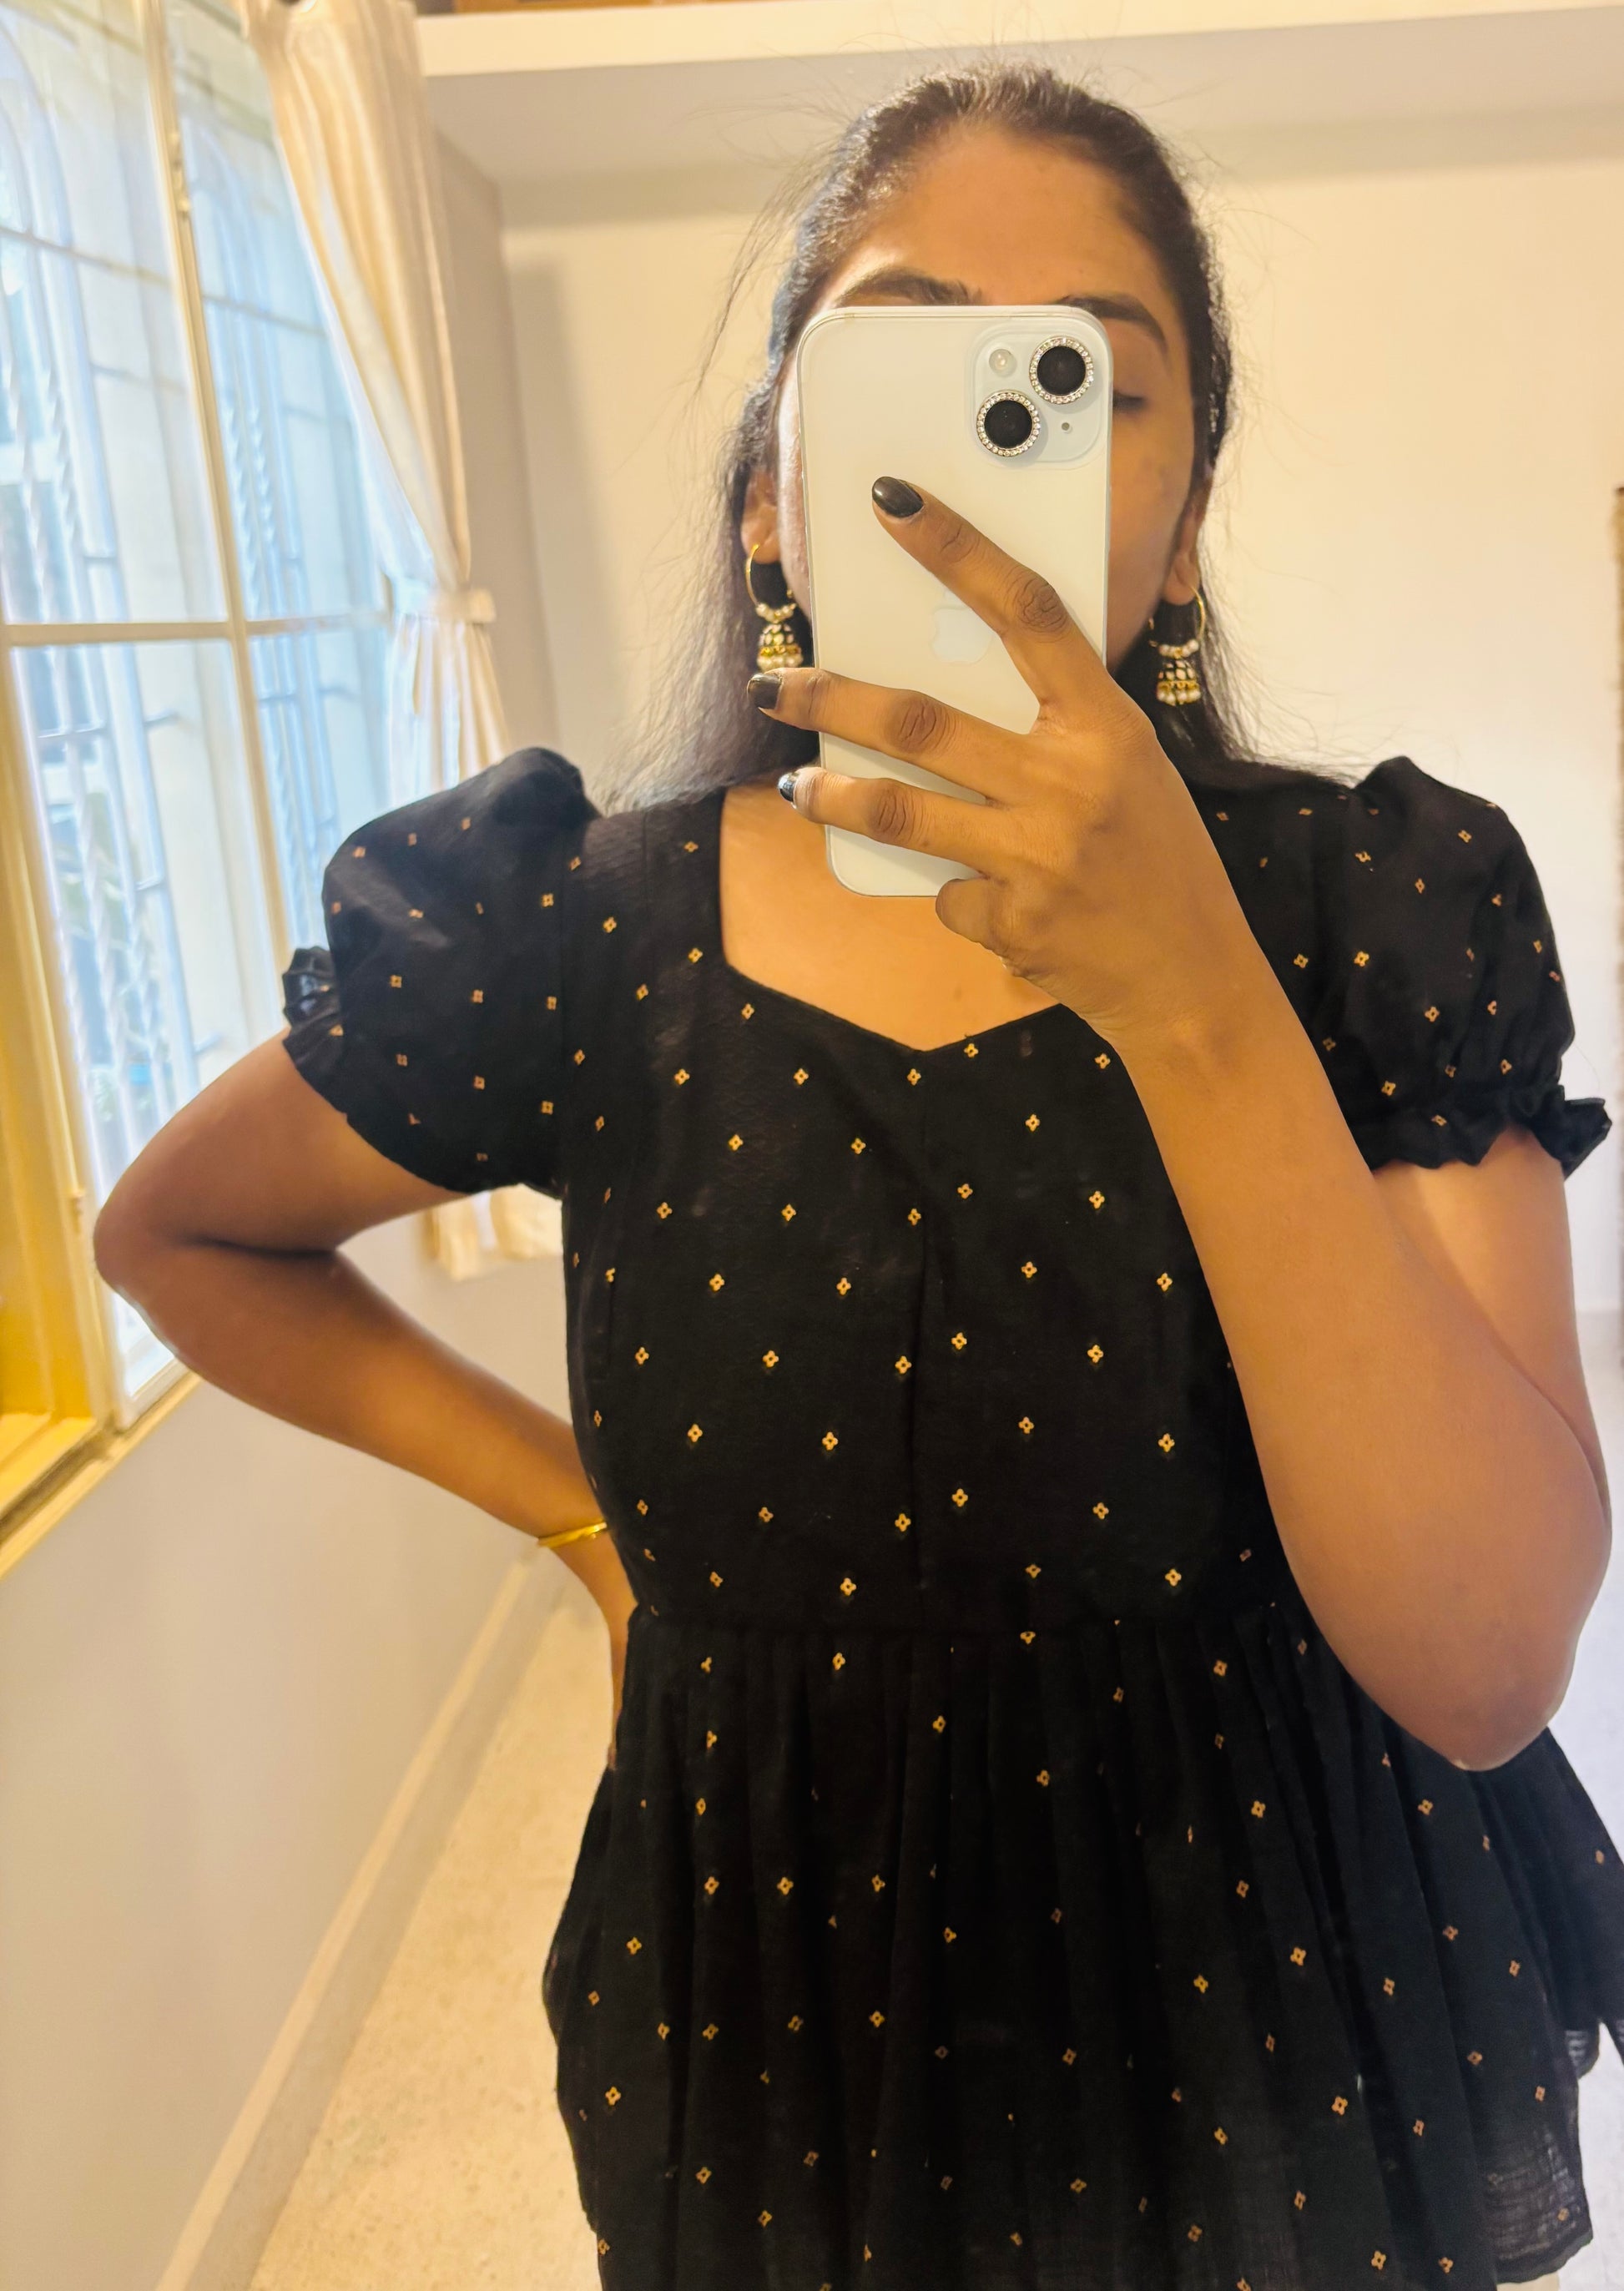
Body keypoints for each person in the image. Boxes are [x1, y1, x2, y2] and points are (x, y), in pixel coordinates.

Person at [93, 59, 1621, 2291]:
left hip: (1274, 1992)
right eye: (908, 353)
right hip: (776, 1997)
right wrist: (582, 1528)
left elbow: (1486, 1663)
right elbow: (175, 1232)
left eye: (1086, 385)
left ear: (1185, 523)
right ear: (767, 493)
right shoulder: (573, 929)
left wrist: (1197, 996)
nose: (989, 453)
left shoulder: (1373, 906)